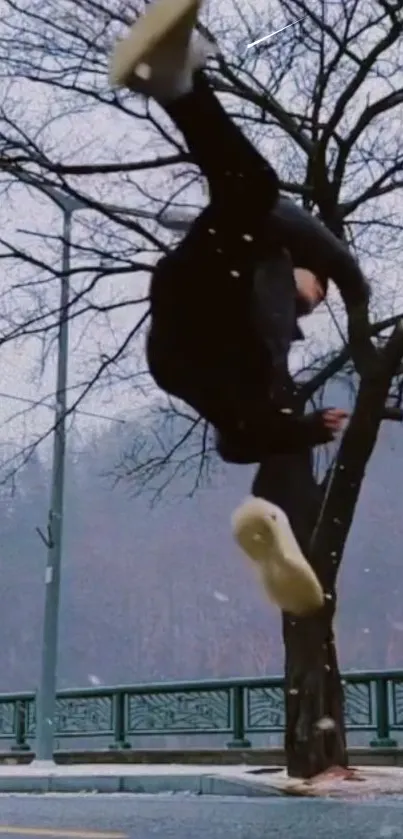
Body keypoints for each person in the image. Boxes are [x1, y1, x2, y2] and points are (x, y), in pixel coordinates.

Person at [109, 0, 370, 616]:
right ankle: (274, 523)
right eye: (316, 286)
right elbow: (240, 438)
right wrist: (345, 277)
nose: (313, 292)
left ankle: (174, 83)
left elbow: (241, 433)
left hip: (204, 325)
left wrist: (344, 278)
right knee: (252, 191)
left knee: (251, 189)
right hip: (199, 336)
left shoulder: (276, 295)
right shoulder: (278, 258)